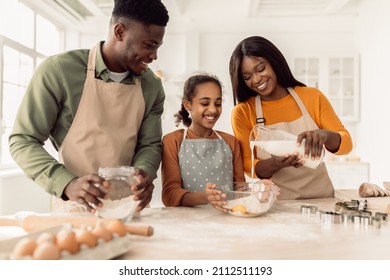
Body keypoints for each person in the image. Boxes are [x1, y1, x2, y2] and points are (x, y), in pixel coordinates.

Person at [8, 0, 169, 213]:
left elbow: (149, 145)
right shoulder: (59, 71)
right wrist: (67, 183)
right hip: (73, 206)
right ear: (120, 32)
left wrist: (144, 173)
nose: (154, 55)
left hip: (128, 207)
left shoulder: (152, 86)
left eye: (158, 46)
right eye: (149, 45)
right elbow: (23, 140)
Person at [229, 36, 353, 200]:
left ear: (274, 62)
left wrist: (324, 135)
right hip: (276, 205)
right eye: (247, 77)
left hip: (322, 201)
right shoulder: (243, 112)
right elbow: (246, 164)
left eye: (260, 69)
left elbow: (347, 144)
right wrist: (275, 164)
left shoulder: (311, 97)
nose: (256, 79)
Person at [161, 73, 274, 211]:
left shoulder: (230, 142)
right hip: (187, 223)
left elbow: (239, 189)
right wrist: (205, 197)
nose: (213, 109)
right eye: (204, 103)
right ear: (187, 105)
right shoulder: (172, 141)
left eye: (218, 103)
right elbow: (169, 195)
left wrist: (258, 190)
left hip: (226, 219)